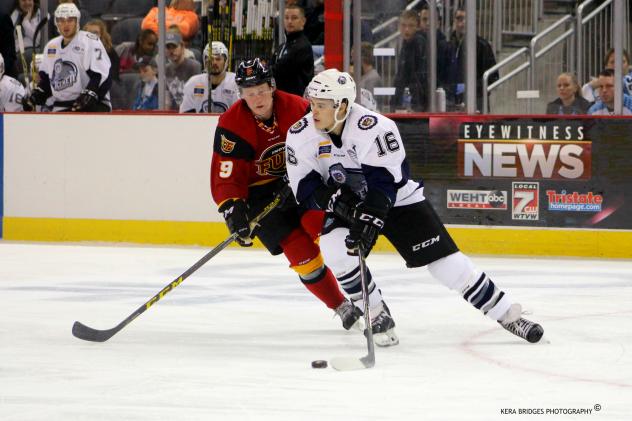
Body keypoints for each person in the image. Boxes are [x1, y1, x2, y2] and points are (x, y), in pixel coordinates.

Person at [285, 69, 545, 345]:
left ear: (343, 106)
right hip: (345, 202)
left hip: (396, 200)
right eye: (312, 103)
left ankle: (507, 313)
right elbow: (304, 187)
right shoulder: (300, 134)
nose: (313, 111)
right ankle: (376, 313)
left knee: (446, 265)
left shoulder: (375, 128)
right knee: (335, 249)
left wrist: (370, 220)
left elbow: (385, 183)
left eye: (321, 105)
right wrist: (338, 203)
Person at [210, 58, 362, 332]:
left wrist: (309, 176)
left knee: (325, 230)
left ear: (272, 86)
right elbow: (227, 174)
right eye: (249, 93)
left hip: (302, 180)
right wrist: (234, 211)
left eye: (261, 90)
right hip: (259, 196)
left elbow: (324, 145)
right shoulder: (232, 124)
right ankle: (341, 306)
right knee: (301, 253)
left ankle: (365, 294)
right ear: (241, 94)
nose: (256, 98)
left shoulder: (298, 108)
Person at [22, 3, 111, 112]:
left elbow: (102, 75)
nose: (65, 24)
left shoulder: (89, 41)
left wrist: (91, 94)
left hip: (94, 104)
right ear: (56, 23)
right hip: (62, 107)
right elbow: (47, 81)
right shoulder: (51, 46)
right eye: (61, 20)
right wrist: (36, 96)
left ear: (77, 21)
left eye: (70, 20)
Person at [445, 7, 498, 112]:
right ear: (453, 21)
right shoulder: (447, 46)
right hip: (451, 102)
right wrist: (451, 89)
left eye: (467, 19)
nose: (463, 22)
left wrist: (469, 88)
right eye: (459, 18)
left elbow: (492, 77)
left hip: (476, 102)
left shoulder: (482, 46)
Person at [180, 41, 239, 113]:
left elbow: (240, 113)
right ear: (204, 61)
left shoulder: (237, 82)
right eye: (210, 59)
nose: (214, 62)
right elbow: (185, 114)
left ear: (226, 61)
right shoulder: (193, 83)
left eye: (218, 59)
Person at [271, 4, 314, 97]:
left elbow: (279, 71)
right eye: (286, 18)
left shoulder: (302, 46)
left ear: (303, 21)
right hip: (281, 97)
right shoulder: (282, 46)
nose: (289, 21)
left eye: (294, 18)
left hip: (296, 99)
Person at [392, 9, 427, 111]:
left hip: (416, 101)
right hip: (409, 99)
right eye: (403, 25)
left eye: (411, 26)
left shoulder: (418, 43)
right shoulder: (405, 43)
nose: (406, 29)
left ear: (417, 27)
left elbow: (417, 76)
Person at [165, 31, 201, 110]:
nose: (171, 51)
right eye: (168, 47)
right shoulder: (165, 69)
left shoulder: (194, 66)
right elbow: (166, 100)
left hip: (190, 113)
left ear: (182, 47)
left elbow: (198, 97)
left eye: (174, 46)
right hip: (173, 114)